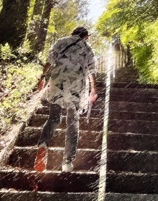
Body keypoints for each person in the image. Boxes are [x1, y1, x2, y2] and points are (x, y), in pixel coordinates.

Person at [34, 27, 98, 172]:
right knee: (73, 123)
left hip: (58, 81)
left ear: (72, 33)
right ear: (85, 37)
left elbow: (49, 61)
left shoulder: (61, 42)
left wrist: (43, 77)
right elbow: (92, 71)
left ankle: (43, 145)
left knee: (54, 118)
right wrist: (93, 90)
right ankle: (67, 162)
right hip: (76, 86)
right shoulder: (87, 47)